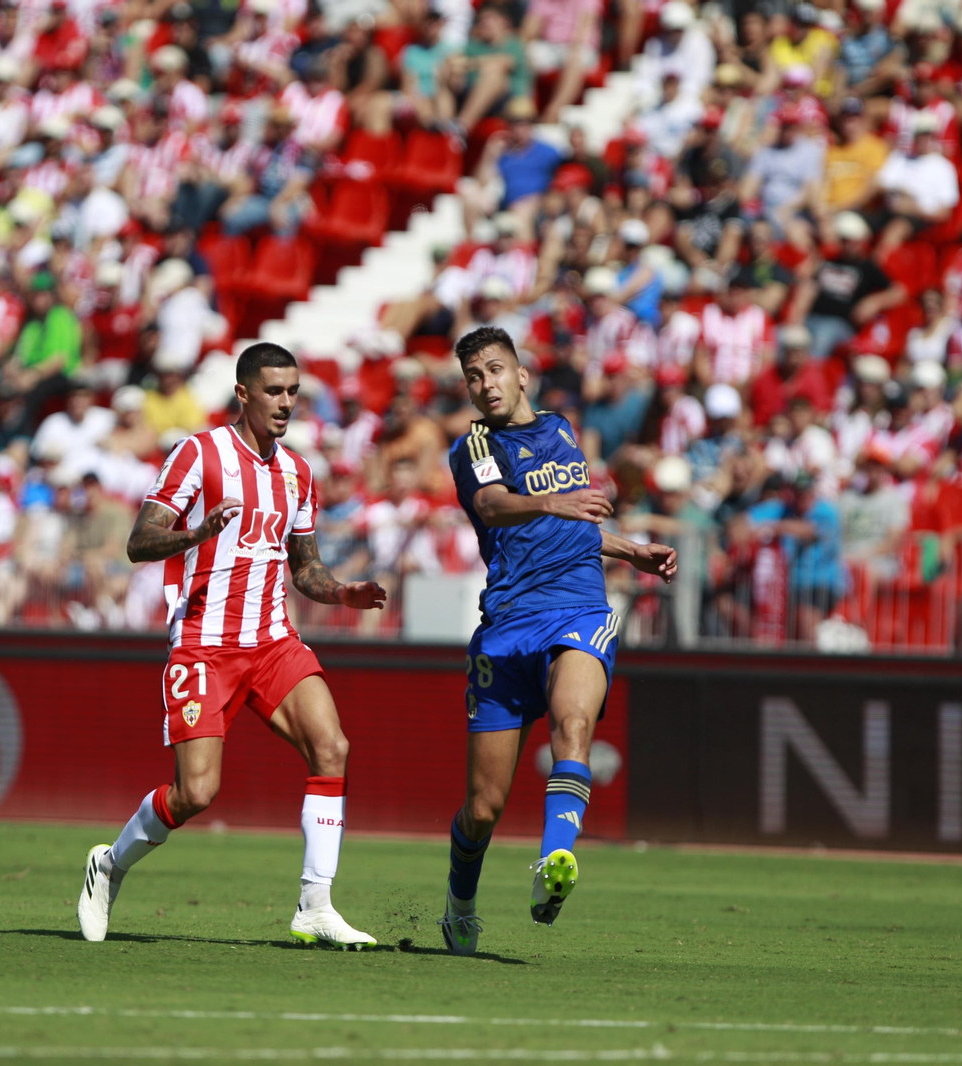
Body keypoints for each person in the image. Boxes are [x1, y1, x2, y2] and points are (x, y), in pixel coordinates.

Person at [76, 343, 388, 948]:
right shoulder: (199, 453)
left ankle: (315, 904)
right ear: (244, 393)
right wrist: (197, 532)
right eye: (274, 391)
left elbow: (305, 568)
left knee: (333, 746)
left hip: (272, 641)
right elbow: (140, 542)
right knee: (197, 792)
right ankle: (108, 865)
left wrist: (341, 592)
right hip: (202, 645)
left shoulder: (298, 472)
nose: (286, 403)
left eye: (294, 391)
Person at [440, 326, 676, 955]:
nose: (485, 384)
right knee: (483, 809)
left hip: (577, 607)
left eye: (494, 370)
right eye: (473, 376)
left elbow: (576, 525)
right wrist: (553, 500)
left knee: (574, 725)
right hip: (508, 624)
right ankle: (459, 904)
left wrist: (631, 551)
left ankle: (554, 862)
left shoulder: (563, 427)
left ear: (522, 374)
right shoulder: (474, 445)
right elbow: (491, 505)